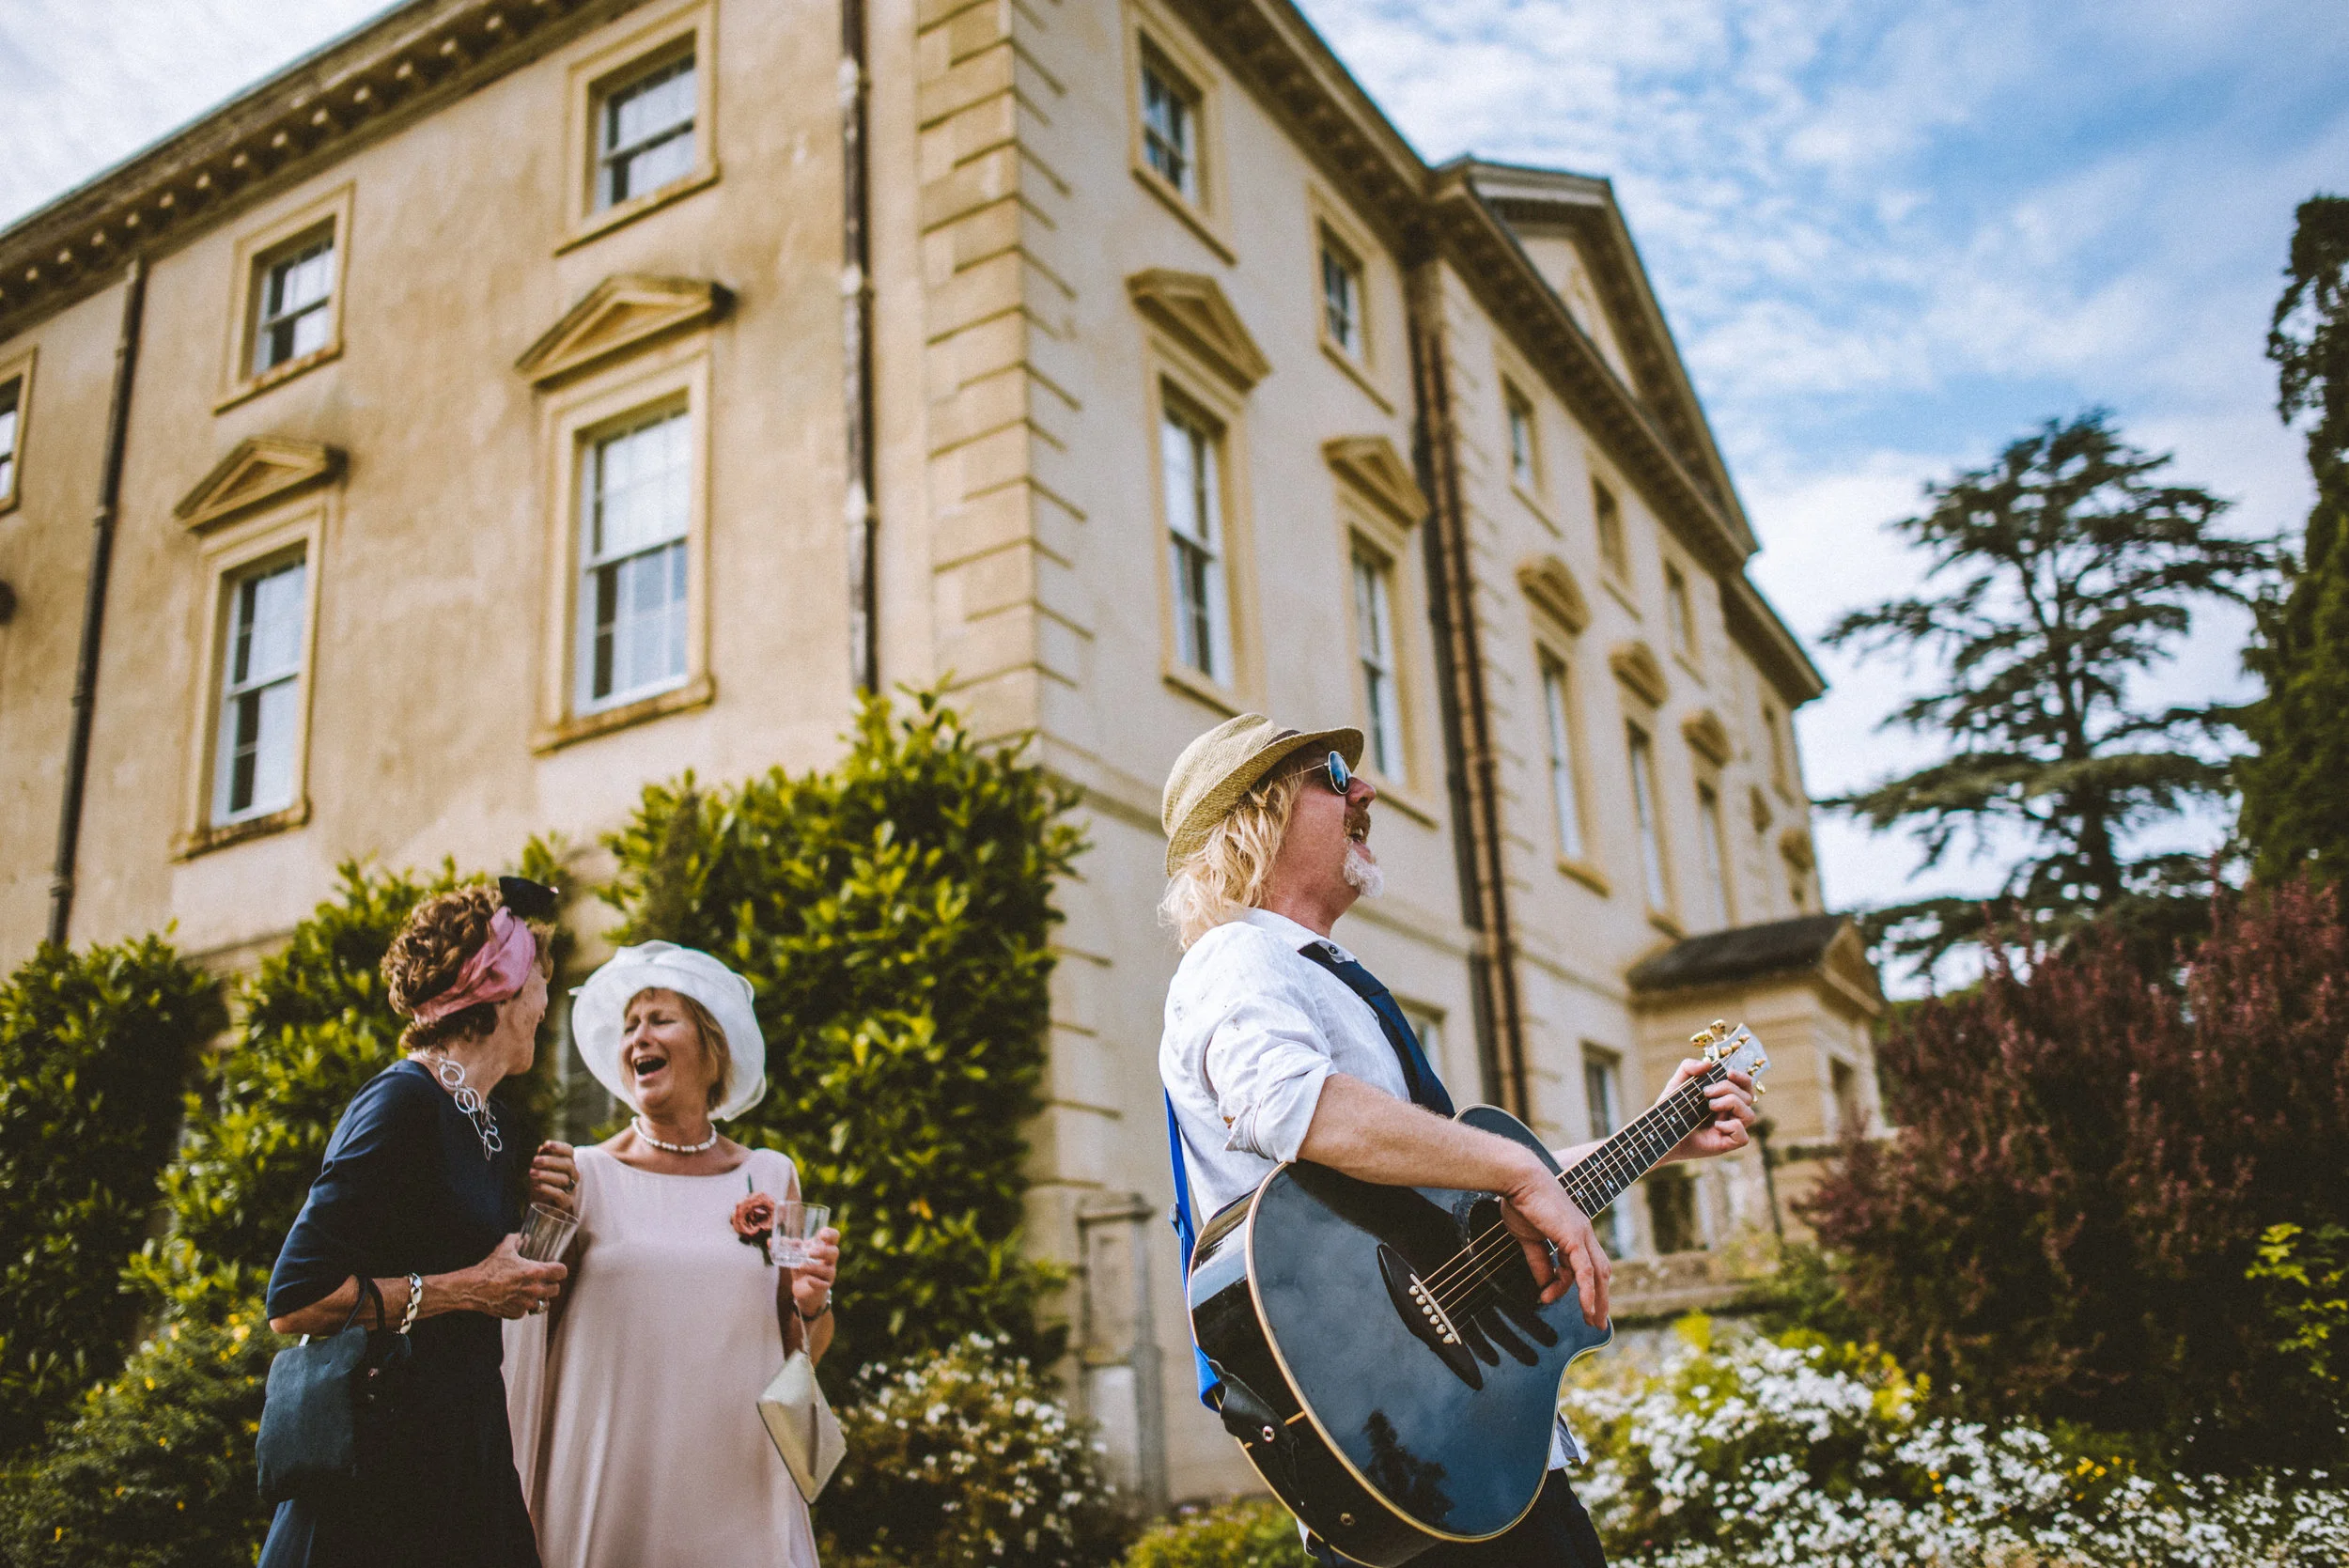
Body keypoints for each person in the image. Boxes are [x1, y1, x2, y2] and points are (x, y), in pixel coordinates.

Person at [1158, 715, 1759, 1568]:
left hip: (1463, 1445)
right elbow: (1293, 1105)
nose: (1366, 790)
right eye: (1333, 774)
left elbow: (1466, 1208)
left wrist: (1656, 1135)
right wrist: (1515, 1164)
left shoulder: (1317, 977)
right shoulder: (1238, 958)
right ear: (1257, 815)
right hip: (1411, 1446)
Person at [260, 877, 575, 1568]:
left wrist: (538, 1213)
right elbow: (295, 1300)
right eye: (541, 983)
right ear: (502, 991)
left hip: (468, 1450)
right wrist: (470, 1287)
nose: (548, 1004)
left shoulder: (491, 1122)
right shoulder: (399, 1102)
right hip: (382, 1472)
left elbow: (448, 1239)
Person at [504, 941, 842, 1568]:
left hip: (738, 1480)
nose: (638, 1037)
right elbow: (521, 1324)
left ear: (712, 1048)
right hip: (606, 1480)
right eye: (630, 1024)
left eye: (659, 1018)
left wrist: (812, 1302)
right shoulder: (580, 1173)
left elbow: (802, 1356)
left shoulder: (771, 1175)